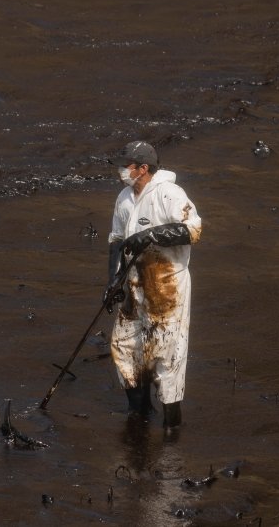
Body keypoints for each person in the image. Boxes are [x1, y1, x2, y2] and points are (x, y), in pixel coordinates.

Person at [106, 140, 202, 429]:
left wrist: (151, 235)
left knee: (166, 355)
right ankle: (140, 414)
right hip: (133, 286)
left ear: (143, 168)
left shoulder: (170, 194)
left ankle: (171, 428)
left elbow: (193, 230)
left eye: (127, 166)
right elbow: (115, 241)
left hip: (166, 287)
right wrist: (113, 281)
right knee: (124, 347)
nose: (121, 171)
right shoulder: (124, 198)